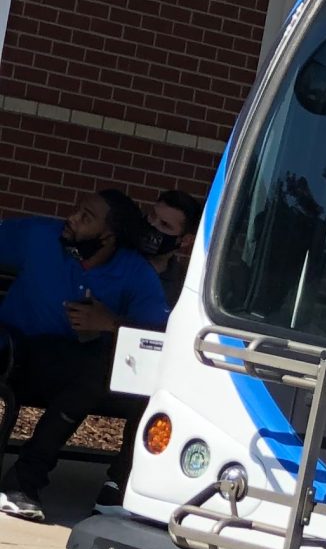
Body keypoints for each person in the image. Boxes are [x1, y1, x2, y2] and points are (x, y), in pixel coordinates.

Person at [0, 187, 170, 520]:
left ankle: (38, 484)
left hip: (74, 370)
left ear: (108, 236)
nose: (72, 218)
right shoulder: (40, 236)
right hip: (15, 349)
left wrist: (111, 323)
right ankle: (22, 483)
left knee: (117, 376)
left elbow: (159, 339)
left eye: (85, 217)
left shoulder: (134, 272)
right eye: (77, 210)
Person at [94, 185, 203, 508]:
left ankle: (119, 482)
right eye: (152, 217)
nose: (153, 228)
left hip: (142, 375)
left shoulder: (185, 286)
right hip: (93, 360)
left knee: (158, 395)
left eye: (166, 227)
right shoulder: (112, 257)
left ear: (183, 241)